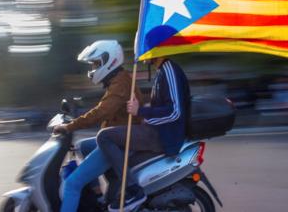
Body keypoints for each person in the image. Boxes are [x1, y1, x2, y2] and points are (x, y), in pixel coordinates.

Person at [53, 40, 143, 212]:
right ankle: (100, 195)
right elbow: (104, 108)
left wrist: (70, 126)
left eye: (95, 64)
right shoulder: (118, 80)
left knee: (72, 184)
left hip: (120, 143)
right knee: (83, 146)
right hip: (118, 136)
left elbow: (102, 111)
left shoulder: (120, 85)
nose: (93, 69)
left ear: (109, 61)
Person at [97, 55, 190, 212]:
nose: (142, 55)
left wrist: (141, 111)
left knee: (104, 137)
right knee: (112, 149)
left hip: (162, 135)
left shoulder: (169, 70)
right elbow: (164, 105)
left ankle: (133, 190)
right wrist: (145, 111)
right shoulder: (162, 71)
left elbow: (175, 112)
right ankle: (112, 196)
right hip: (158, 130)